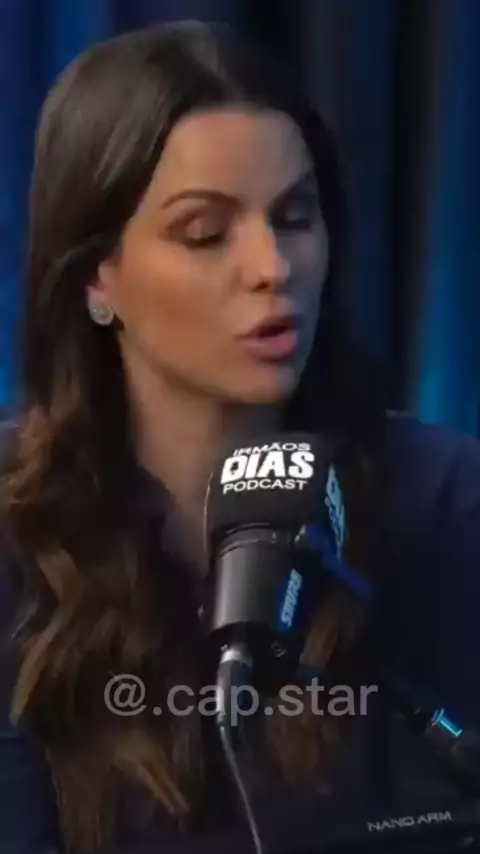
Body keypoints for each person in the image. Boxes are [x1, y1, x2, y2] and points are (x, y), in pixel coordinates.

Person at [0, 20, 479, 854]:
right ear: (96, 277)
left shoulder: (445, 500)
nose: (272, 267)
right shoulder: (17, 532)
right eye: (205, 233)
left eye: (295, 217)